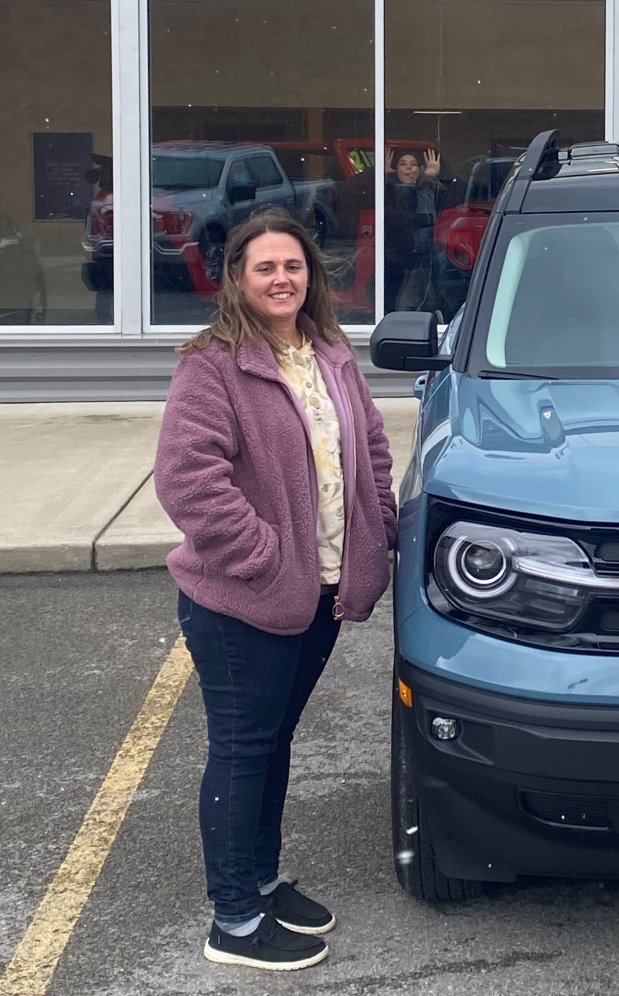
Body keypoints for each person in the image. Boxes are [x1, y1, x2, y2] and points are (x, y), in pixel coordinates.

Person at [154, 206, 397, 971]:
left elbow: (372, 447)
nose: (281, 278)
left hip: (318, 594)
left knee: (272, 745)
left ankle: (259, 881)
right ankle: (232, 921)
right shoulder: (213, 364)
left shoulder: (329, 351)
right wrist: (265, 557)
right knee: (241, 748)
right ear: (236, 279)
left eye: (292, 265)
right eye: (265, 267)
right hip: (242, 601)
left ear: (310, 275)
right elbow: (189, 483)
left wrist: (378, 526)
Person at [384, 146, 450, 313]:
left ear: (420, 169)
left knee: (428, 303)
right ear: (395, 169)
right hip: (396, 260)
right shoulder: (387, 191)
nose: (408, 168)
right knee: (397, 303)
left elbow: (434, 214)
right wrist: (385, 175)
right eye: (402, 164)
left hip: (425, 258)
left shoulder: (429, 189)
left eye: (413, 164)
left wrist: (430, 178)